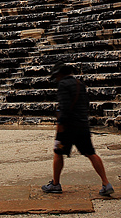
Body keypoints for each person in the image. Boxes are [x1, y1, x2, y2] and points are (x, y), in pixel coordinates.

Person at [42, 64, 114, 197]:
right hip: (82, 125)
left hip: (67, 127)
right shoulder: (79, 83)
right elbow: (86, 103)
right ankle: (106, 183)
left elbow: (63, 107)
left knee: (58, 152)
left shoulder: (63, 85)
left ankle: (55, 184)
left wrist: (60, 125)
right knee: (91, 153)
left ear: (60, 74)